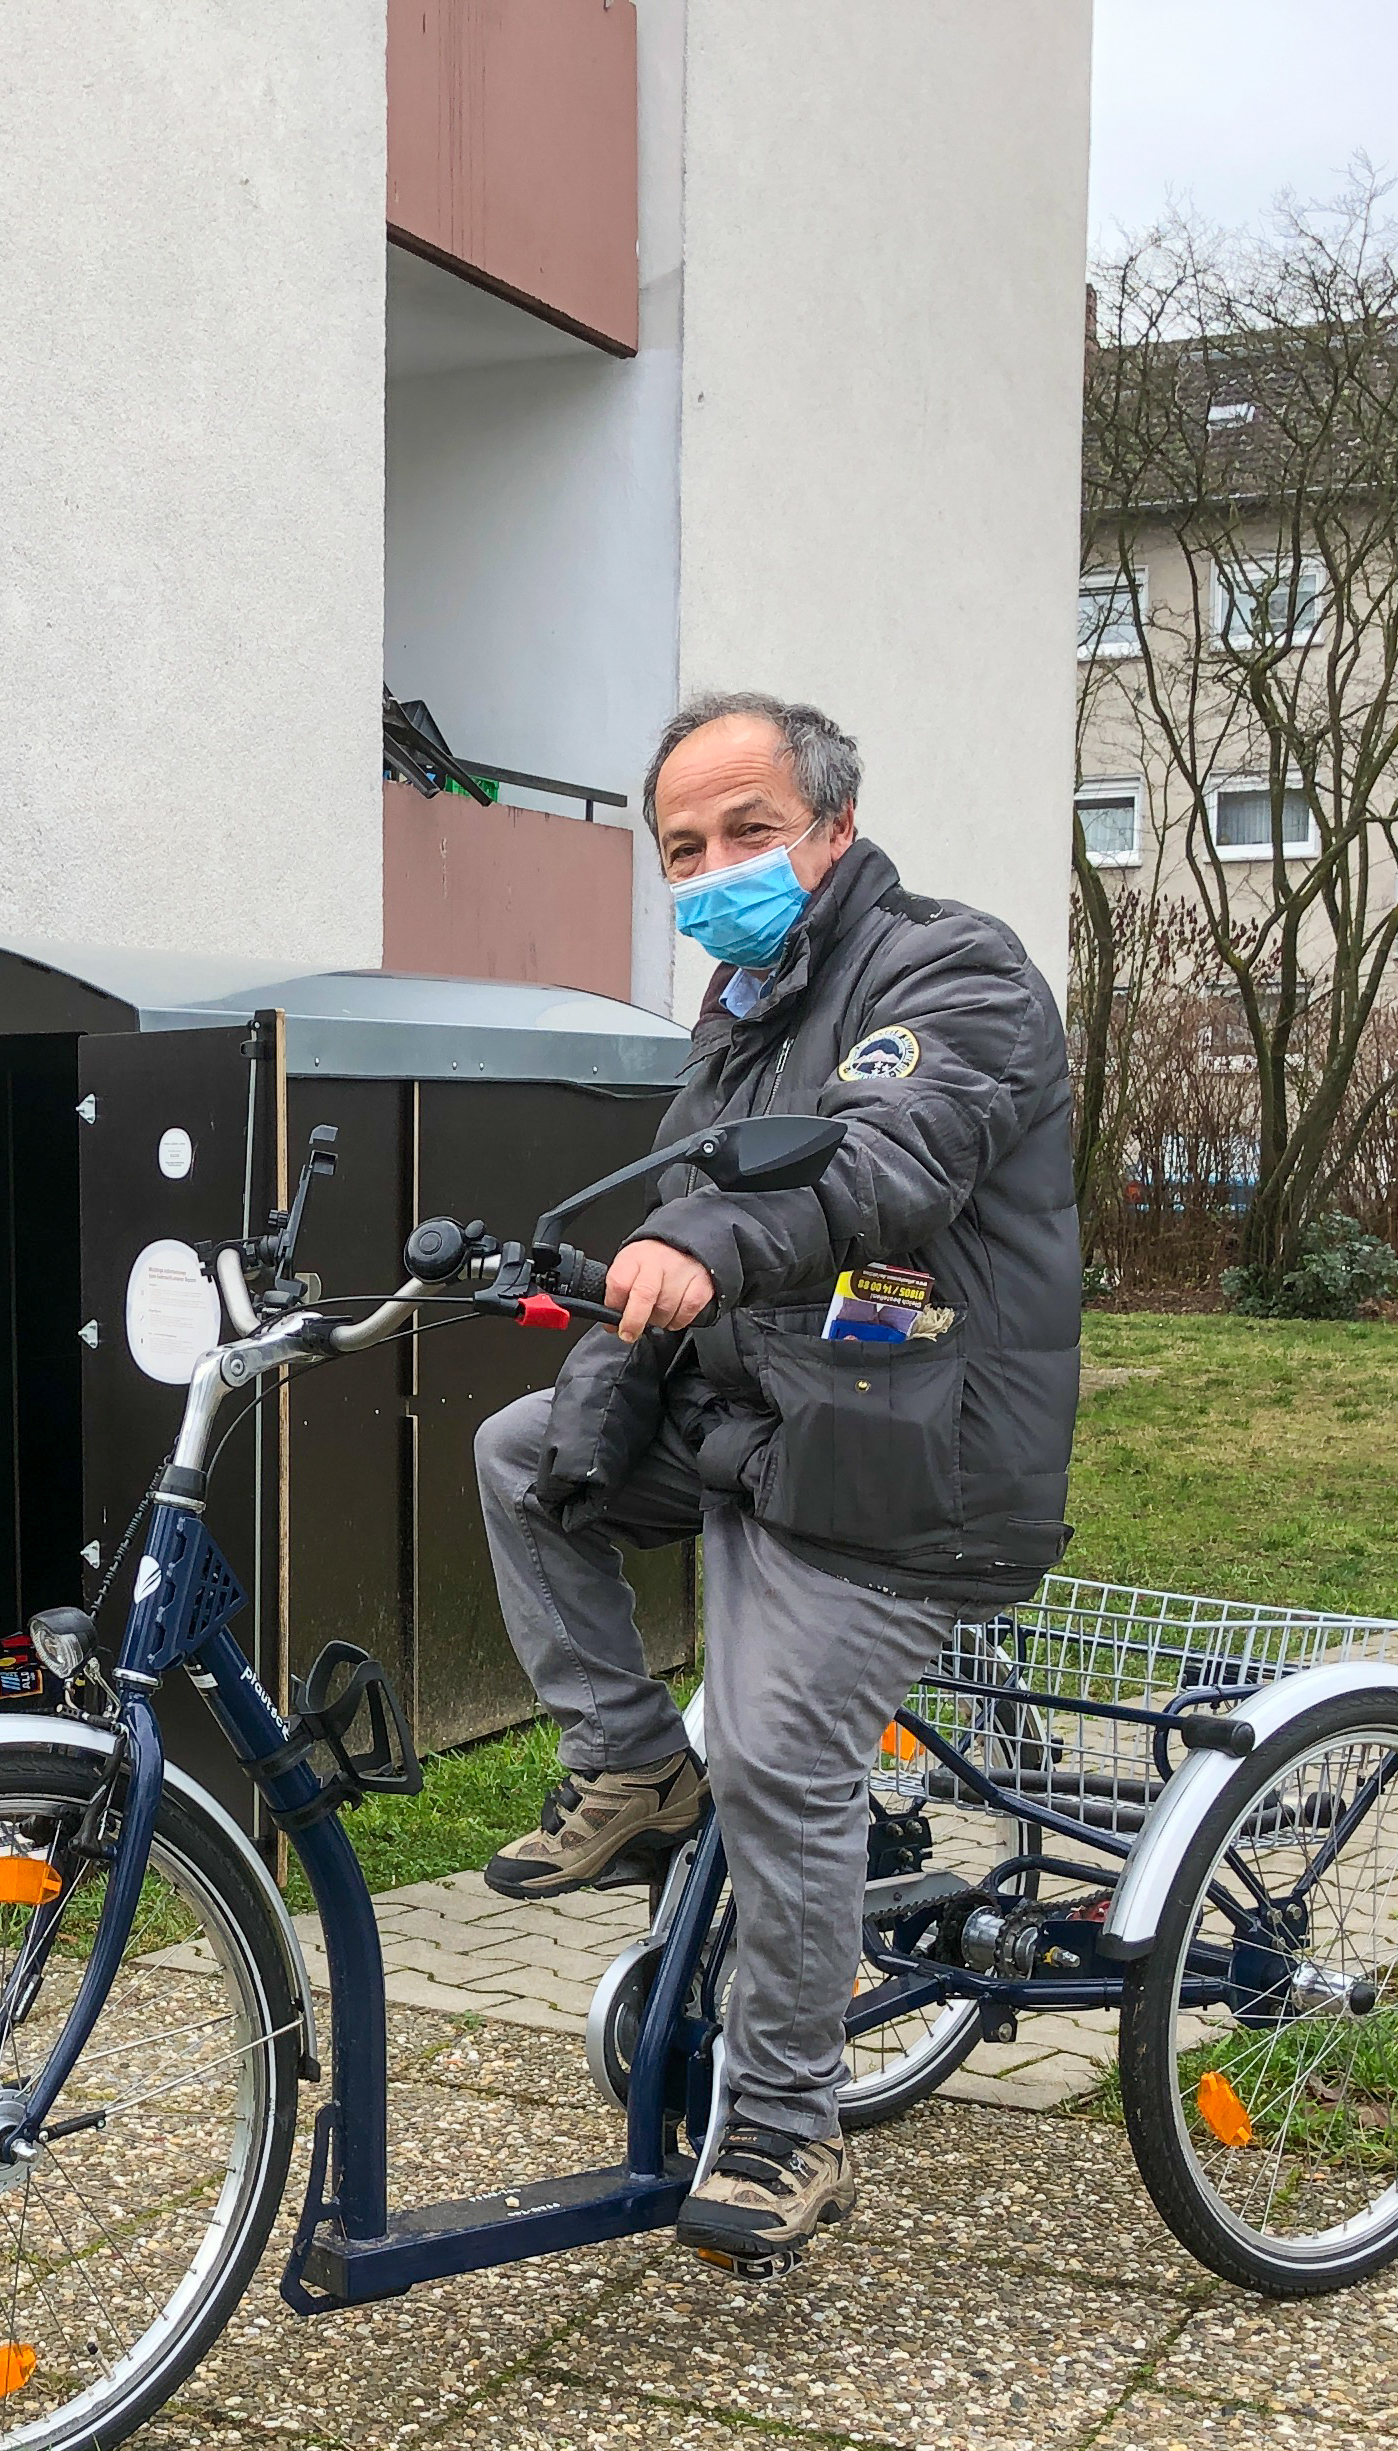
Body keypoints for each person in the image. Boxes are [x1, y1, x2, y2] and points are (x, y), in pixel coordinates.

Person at [473, 692, 1081, 2264]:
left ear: (835, 831)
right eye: (685, 847)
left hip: (915, 1451)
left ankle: (785, 2126)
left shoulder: (950, 970)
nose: (716, 867)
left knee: (776, 1751)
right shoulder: (744, 1006)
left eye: (750, 831)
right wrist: (604, 1406)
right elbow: (676, 1234)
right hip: (776, 1419)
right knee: (523, 1452)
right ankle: (628, 1763)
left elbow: (890, 1160)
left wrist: (703, 1241)